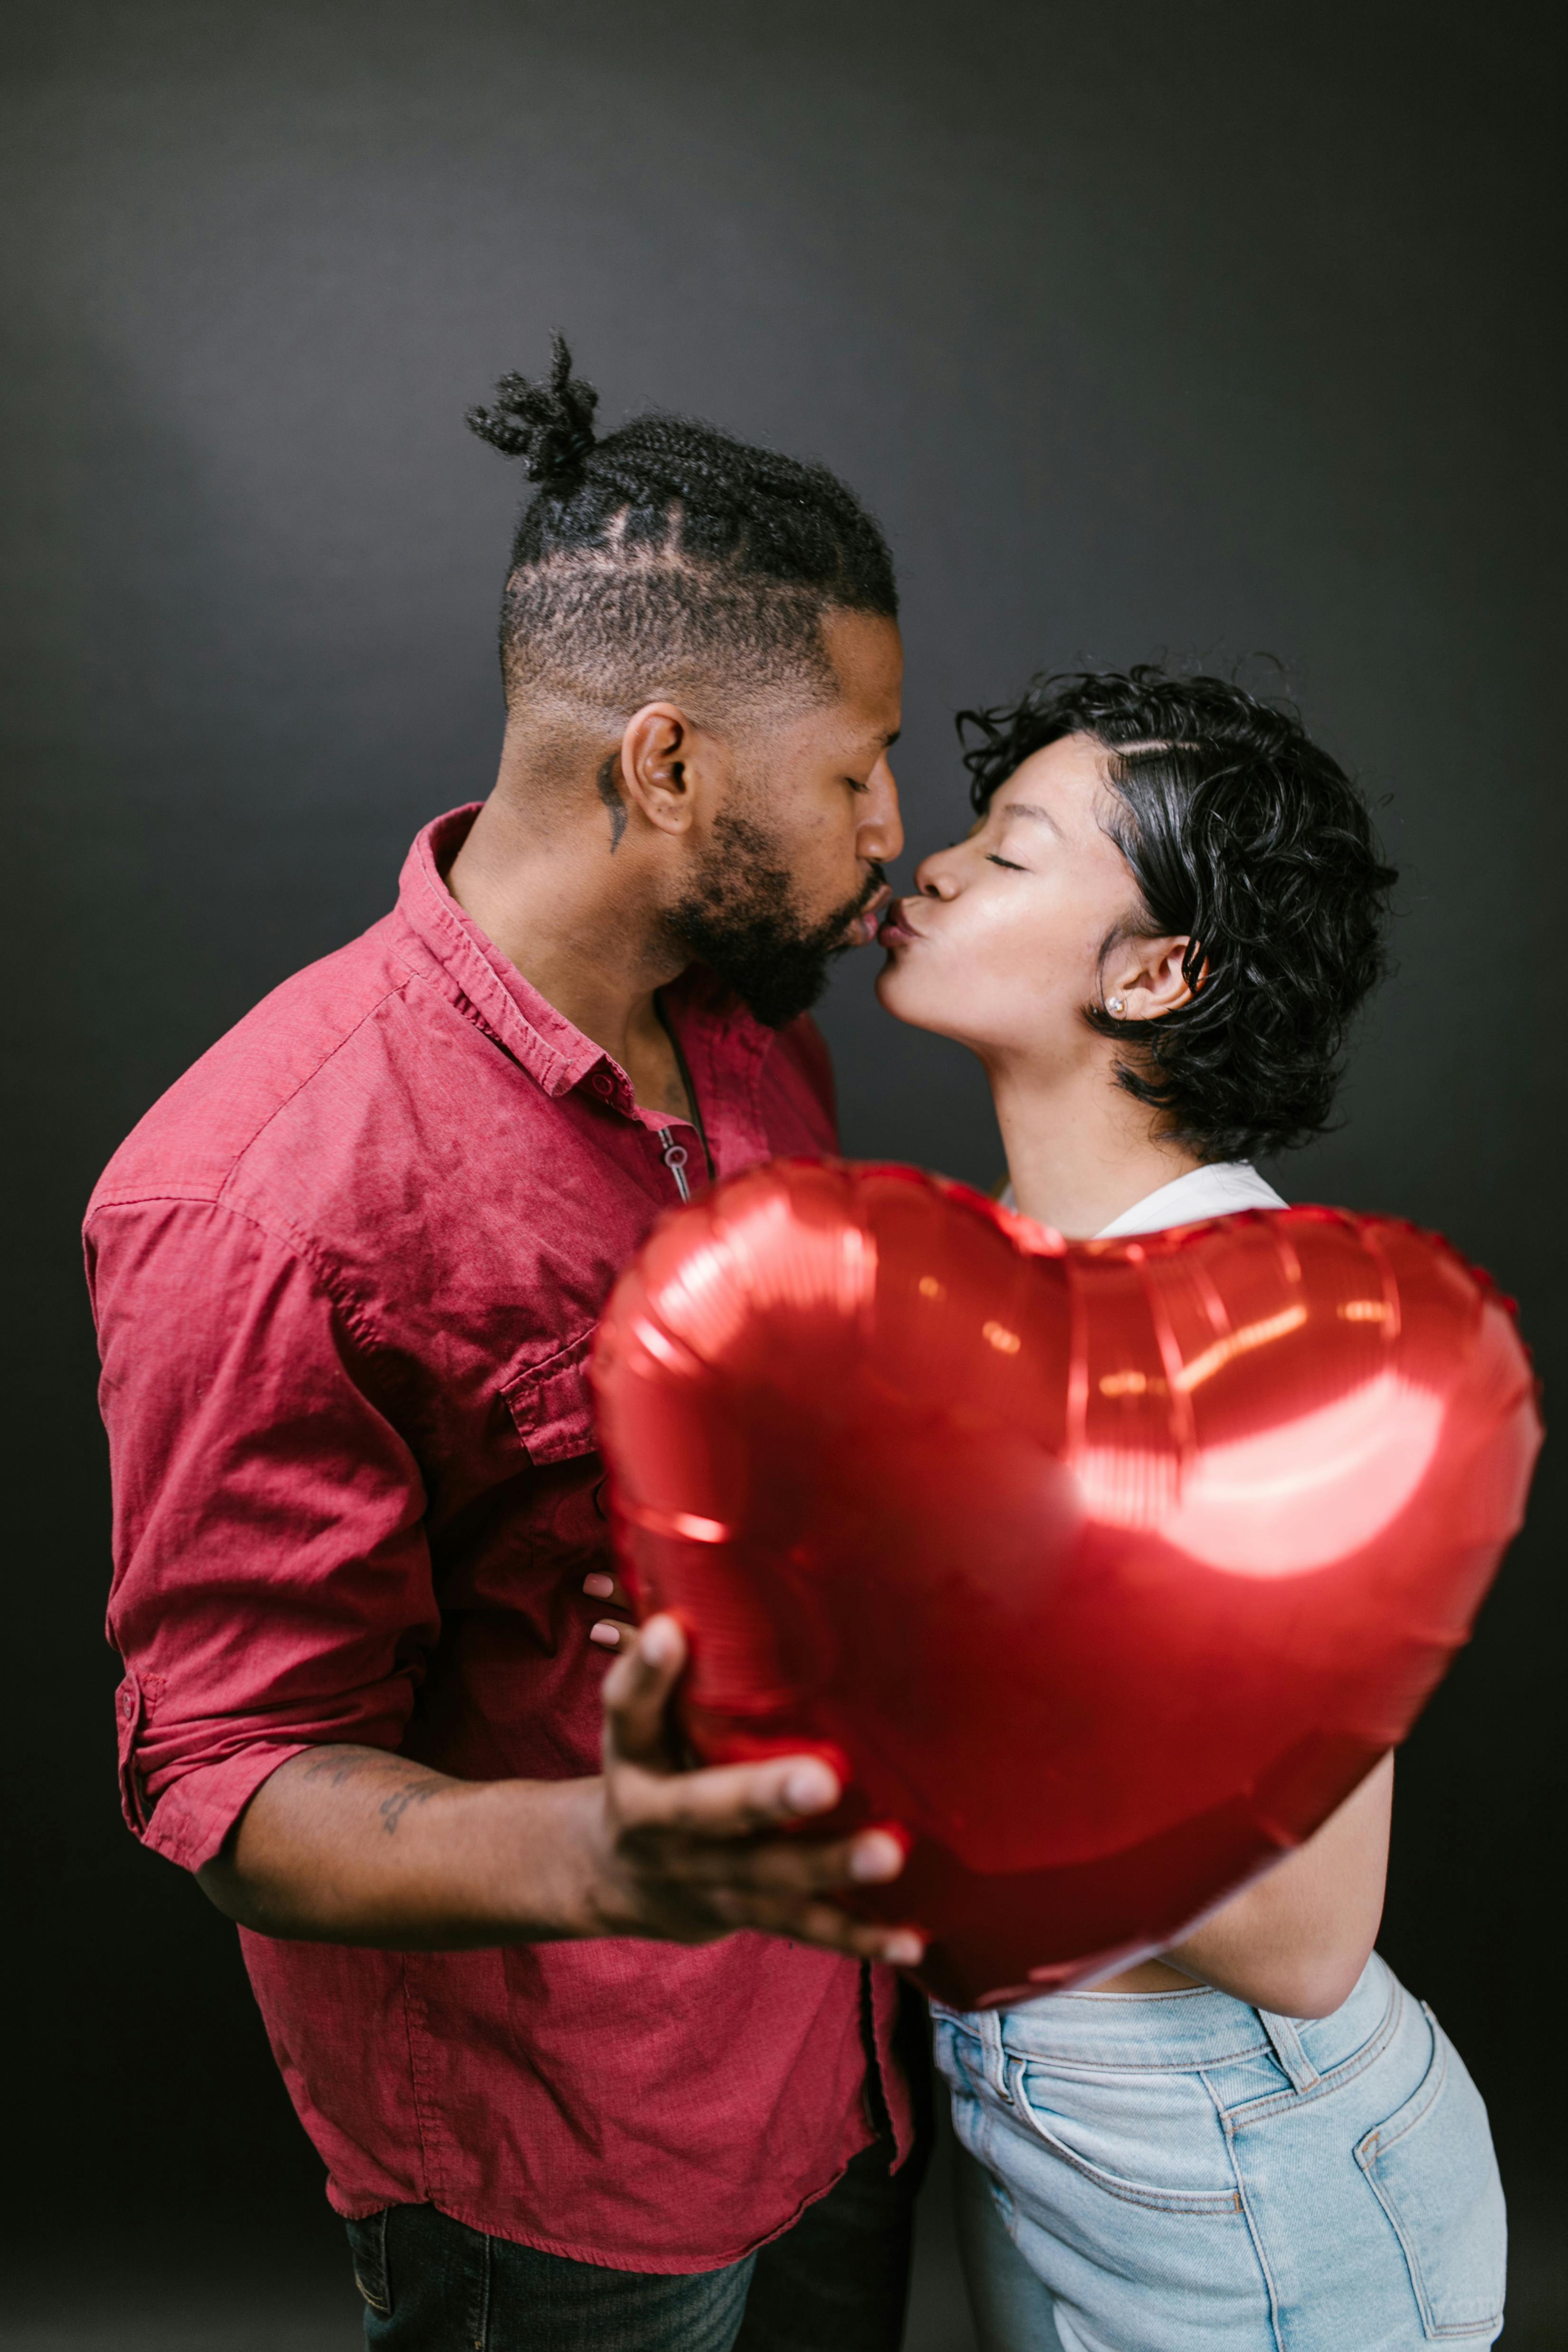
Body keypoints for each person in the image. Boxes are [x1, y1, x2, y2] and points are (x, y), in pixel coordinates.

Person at [85, 340, 933, 2352]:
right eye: (854, 767)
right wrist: (608, 1850)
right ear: (666, 767)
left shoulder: (763, 1039)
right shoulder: (258, 1193)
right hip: (568, 2182)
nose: (895, 822)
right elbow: (232, 1770)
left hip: (850, 2077)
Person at [876, 667, 1509, 2351]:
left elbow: (1300, 1932)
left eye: (1006, 859)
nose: (927, 872)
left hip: (1250, 2160)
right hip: (1046, 2128)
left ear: (1159, 972)